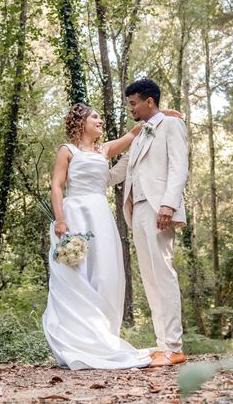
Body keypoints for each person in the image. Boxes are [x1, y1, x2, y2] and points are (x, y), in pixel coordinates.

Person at [42, 103, 154, 370]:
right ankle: (76, 342)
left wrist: (162, 114)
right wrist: (60, 219)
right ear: (81, 122)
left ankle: (102, 339)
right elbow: (57, 186)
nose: (100, 121)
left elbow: (134, 134)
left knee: (105, 275)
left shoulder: (104, 150)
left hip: (100, 216)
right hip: (74, 215)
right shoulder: (66, 151)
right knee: (76, 276)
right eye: (95, 117)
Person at [108, 78, 188, 367]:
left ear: (148, 102)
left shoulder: (171, 125)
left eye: (133, 103)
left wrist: (169, 203)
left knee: (164, 275)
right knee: (150, 280)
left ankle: (175, 346)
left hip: (159, 207)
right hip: (137, 211)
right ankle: (162, 344)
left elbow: (179, 166)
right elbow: (119, 173)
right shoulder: (140, 134)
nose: (130, 108)